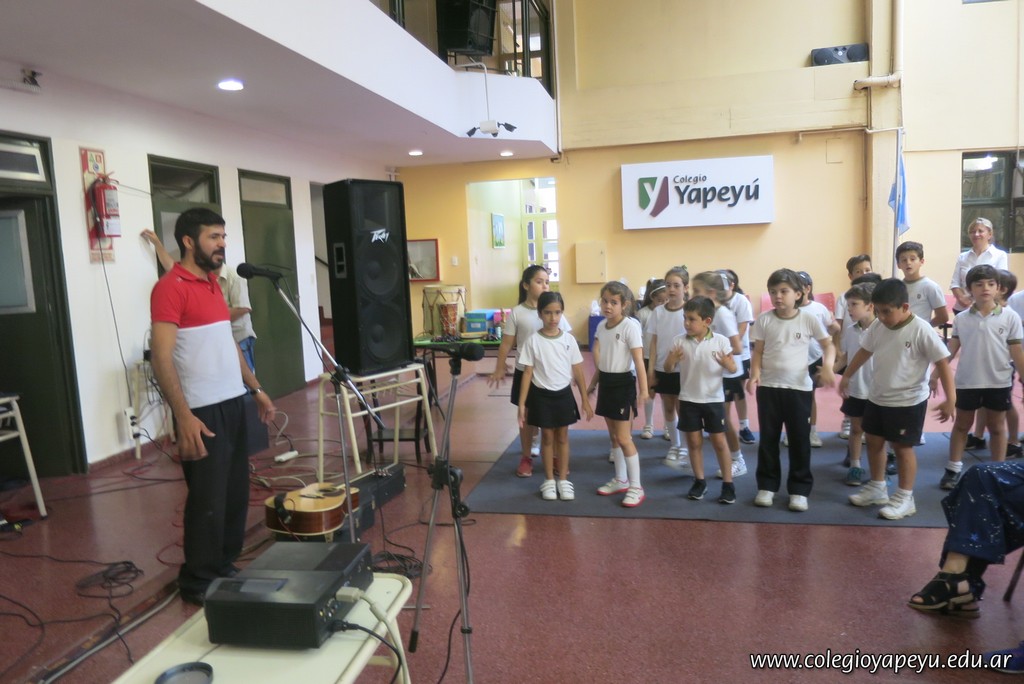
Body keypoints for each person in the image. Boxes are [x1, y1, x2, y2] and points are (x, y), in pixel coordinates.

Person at [149, 208, 276, 606]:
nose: (222, 244)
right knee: (208, 498)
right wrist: (183, 415)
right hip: (202, 410)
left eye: (223, 237)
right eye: (214, 237)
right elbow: (161, 358)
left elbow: (228, 342)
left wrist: (255, 388)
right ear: (189, 242)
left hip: (233, 402)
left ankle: (223, 563)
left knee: (235, 493)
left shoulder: (213, 285)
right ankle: (198, 579)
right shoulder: (170, 288)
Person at [843, 278, 955, 521]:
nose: (882, 317)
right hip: (878, 396)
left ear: (905, 307)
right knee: (874, 441)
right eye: (878, 311)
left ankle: (905, 497)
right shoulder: (877, 326)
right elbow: (864, 351)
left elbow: (942, 363)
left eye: (887, 311)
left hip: (908, 400)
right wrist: (847, 375)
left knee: (902, 448)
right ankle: (877, 487)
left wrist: (950, 399)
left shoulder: (921, 329)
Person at [747, 268, 835, 512]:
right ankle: (767, 486)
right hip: (769, 388)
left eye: (783, 291)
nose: (777, 296)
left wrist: (828, 367)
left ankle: (799, 490)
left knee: (799, 440)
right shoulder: (764, 319)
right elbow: (758, 352)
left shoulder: (808, 319)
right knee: (768, 439)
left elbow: (828, 346)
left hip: (798, 389)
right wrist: (755, 374)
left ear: (798, 294)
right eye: (773, 291)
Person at [934, 265, 1024, 490]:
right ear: (969, 289)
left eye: (990, 284)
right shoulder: (962, 319)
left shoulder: (1010, 317)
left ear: (999, 288)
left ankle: (997, 471)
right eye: (979, 284)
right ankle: (953, 468)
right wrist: (935, 375)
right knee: (962, 425)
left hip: (998, 381)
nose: (985, 288)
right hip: (968, 382)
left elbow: (1017, 352)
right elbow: (951, 350)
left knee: (997, 427)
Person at [488, 265, 571, 478]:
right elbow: (507, 343)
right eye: (539, 281)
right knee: (526, 418)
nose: (545, 285)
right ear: (526, 285)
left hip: (551, 374)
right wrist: (499, 366)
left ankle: (553, 456)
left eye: (547, 282)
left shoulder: (553, 310)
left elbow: (567, 341)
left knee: (551, 420)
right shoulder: (517, 313)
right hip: (525, 372)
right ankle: (526, 457)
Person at [142, 229, 258, 373]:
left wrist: (211, 317)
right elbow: (171, 267)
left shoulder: (234, 277)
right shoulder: (196, 279)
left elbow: (244, 308)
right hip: (216, 340)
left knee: (244, 378)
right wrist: (157, 243)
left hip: (239, 337)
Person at [517, 291, 594, 501]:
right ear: (540, 314)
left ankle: (563, 480)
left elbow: (578, 370)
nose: (553, 317)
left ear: (562, 313)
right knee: (547, 437)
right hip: (541, 396)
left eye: (558, 312)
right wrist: (521, 404)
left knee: (563, 437)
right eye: (548, 313)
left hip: (563, 395)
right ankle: (549, 480)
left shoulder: (568, 339)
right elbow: (527, 373)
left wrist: (585, 399)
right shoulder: (533, 341)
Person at [663, 296, 738, 504]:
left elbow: (733, 368)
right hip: (688, 400)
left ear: (707, 321)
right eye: (685, 318)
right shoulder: (679, 341)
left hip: (713, 400)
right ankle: (699, 481)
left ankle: (728, 484)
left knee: (719, 442)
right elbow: (668, 368)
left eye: (692, 319)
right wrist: (671, 360)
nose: (686, 323)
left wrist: (727, 364)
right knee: (694, 442)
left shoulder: (721, 341)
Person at [588, 281, 649, 507]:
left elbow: (638, 361)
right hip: (607, 382)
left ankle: (636, 487)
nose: (608, 306)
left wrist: (643, 390)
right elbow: (603, 361)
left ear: (624, 305)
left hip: (623, 384)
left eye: (614, 302)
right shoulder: (602, 326)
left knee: (624, 438)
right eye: (605, 301)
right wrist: (593, 383)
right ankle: (621, 479)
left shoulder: (630, 326)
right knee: (614, 437)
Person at [690, 271, 747, 479]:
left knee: (723, 419)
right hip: (714, 373)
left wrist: (716, 352)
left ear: (711, 293)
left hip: (728, 374)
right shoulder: (708, 313)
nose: (692, 295)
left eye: (696, 290)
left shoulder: (722, 314)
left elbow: (737, 347)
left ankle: (738, 460)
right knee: (718, 419)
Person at [786, 271, 840, 449]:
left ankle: (812, 431)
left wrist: (830, 330)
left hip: (813, 359)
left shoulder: (819, 309)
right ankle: (791, 432)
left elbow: (833, 328)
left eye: (799, 286)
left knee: (810, 397)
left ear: (807, 289)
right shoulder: (788, 309)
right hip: (793, 360)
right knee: (792, 398)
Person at [647, 266, 690, 467]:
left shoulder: (689, 311)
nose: (671, 289)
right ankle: (675, 444)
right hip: (663, 367)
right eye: (668, 285)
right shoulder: (658, 312)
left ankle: (685, 448)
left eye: (676, 285)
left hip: (684, 369)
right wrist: (651, 369)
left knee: (683, 408)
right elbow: (654, 342)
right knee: (668, 406)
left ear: (685, 288)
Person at [835, 282, 876, 487]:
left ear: (870, 306)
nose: (849, 309)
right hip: (857, 388)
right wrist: (831, 370)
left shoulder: (883, 329)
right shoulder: (850, 330)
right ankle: (855, 465)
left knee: (877, 433)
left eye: (854, 304)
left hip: (878, 390)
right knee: (856, 428)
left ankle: (880, 469)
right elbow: (846, 356)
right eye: (848, 304)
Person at [835, 255, 873, 441]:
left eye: (867, 270)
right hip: (851, 359)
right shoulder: (844, 299)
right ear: (850, 275)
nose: (863, 274)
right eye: (859, 271)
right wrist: (835, 357)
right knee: (850, 392)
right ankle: (848, 421)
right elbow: (838, 326)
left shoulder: (880, 327)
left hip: (875, 382)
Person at [720, 269, 757, 445]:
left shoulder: (741, 301)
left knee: (738, 393)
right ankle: (723, 426)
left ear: (732, 285)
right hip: (719, 356)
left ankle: (744, 427)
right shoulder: (713, 303)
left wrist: (730, 348)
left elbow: (742, 328)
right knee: (722, 394)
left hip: (738, 355)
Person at [950, 217, 1008, 314]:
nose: (976, 234)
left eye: (980, 231)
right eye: (972, 232)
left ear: (990, 234)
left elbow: (1002, 283)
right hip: (964, 309)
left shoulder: (1000, 255)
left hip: (989, 309)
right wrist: (962, 299)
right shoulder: (962, 257)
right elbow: (954, 284)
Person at [636, 278, 667, 440]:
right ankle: (648, 424)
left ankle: (668, 426)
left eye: (666, 300)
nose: (663, 304)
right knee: (650, 392)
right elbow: (637, 337)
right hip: (648, 358)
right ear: (652, 298)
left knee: (667, 395)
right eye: (660, 300)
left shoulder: (668, 313)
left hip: (665, 358)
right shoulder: (643, 314)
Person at [896, 241, 950, 328]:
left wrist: (925, 329)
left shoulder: (930, 286)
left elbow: (943, 317)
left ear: (921, 261)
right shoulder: (896, 288)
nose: (908, 263)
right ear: (898, 265)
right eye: (904, 260)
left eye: (912, 259)